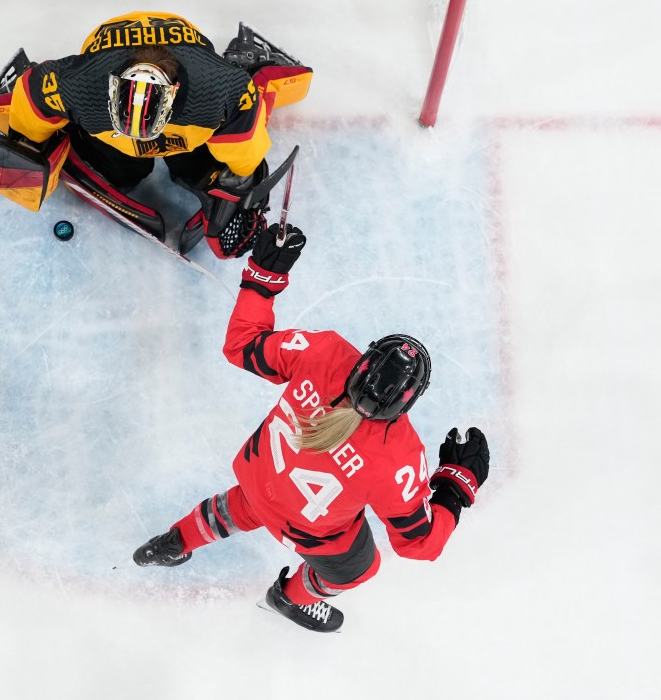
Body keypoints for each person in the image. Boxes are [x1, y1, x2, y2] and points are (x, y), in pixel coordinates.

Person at [132, 226, 490, 632]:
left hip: (258, 475)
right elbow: (421, 544)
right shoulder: (398, 458)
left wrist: (263, 276)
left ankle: (177, 540)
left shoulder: (326, 353)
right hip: (308, 526)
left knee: (256, 501)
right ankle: (290, 598)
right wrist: (456, 484)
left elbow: (241, 345)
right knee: (360, 569)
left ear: (364, 357)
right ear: (407, 402)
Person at [0, 12, 313, 258]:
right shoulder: (81, 84)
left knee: (200, 166)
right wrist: (27, 143)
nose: (144, 144)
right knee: (125, 169)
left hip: (191, 69)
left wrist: (239, 177)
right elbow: (33, 89)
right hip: (110, 65)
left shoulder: (220, 90)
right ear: (111, 89)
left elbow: (245, 128)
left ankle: (251, 61)